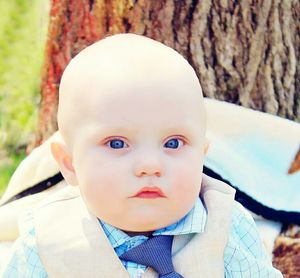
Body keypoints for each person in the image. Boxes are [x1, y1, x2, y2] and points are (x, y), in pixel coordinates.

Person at [1, 33, 282, 277]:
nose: (150, 165)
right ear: (69, 163)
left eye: (173, 143)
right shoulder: (45, 242)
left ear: (202, 156)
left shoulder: (226, 225)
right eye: (116, 144)